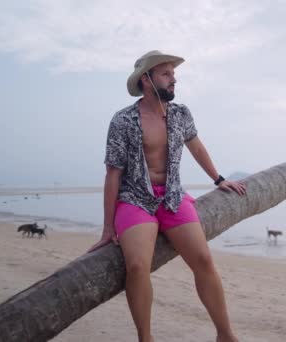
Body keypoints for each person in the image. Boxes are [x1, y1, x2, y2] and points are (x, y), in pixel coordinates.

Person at [88, 50, 245, 342]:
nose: (174, 80)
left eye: (173, 74)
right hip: (135, 199)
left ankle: (225, 334)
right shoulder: (123, 120)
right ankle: (145, 339)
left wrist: (219, 179)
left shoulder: (181, 113)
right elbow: (113, 174)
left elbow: (197, 147)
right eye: (166, 74)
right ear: (146, 80)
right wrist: (108, 228)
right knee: (136, 266)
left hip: (172, 196)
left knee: (203, 259)